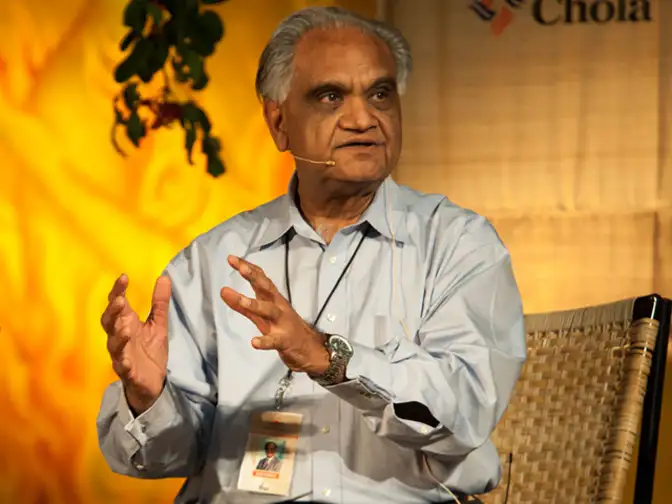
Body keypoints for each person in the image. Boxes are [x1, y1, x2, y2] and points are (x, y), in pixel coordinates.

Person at [96, 6, 526, 504]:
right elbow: (165, 454)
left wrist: (330, 359)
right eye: (331, 96)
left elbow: (466, 407)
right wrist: (148, 399)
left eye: (380, 94)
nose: (363, 119)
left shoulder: (457, 244)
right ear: (279, 121)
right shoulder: (215, 262)